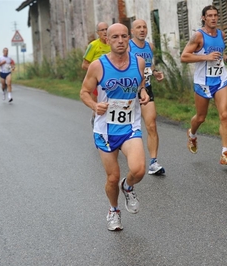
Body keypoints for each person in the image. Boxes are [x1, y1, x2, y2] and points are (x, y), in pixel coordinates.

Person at [80, 23, 150, 231]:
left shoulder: (138, 62)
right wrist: (94, 105)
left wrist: (143, 92)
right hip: (105, 130)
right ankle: (113, 210)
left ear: (128, 38)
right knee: (112, 177)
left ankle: (128, 188)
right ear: (107, 40)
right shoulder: (98, 66)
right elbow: (84, 92)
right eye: (115, 37)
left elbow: (141, 84)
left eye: (124, 36)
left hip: (130, 125)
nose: (120, 40)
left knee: (138, 169)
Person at [180, 5, 227, 165]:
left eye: (215, 15)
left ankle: (225, 153)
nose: (213, 18)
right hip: (202, 82)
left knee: (225, 115)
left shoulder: (221, 33)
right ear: (203, 18)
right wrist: (205, 57)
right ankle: (192, 135)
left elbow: (220, 53)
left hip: (220, 79)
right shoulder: (198, 36)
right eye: (209, 15)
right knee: (201, 117)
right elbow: (184, 57)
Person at [129, 19, 165, 175]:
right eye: (138, 27)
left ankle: (153, 162)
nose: (142, 30)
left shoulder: (150, 46)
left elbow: (149, 66)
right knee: (127, 126)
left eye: (144, 27)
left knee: (151, 125)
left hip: (147, 89)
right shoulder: (128, 46)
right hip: (128, 90)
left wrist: (155, 73)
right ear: (132, 31)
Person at [82, 22, 111, 125]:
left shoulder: (113, 44)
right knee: (99, 104)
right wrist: (98, 71)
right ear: (97, 33)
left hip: (113, 79)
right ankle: (95, 118)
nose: (105, 32)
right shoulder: (93, 45)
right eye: (102, 30)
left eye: (106, 29)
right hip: (98, 81)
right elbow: (84, 65)